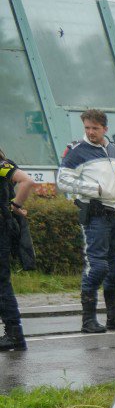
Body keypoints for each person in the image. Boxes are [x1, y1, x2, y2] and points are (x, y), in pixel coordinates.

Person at [57, 109, 115, 333]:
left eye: (95, 128)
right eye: (87, 128)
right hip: (96, 216)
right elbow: (63, 180)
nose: (90, 132)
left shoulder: (114, 148)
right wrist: (95, 189)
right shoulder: (77, 151)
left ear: (105, 128)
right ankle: (88, 320)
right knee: (97, 267)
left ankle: (114, 317)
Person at [0, 148, 36, 353]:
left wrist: (15, 205)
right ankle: (13, 333)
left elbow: (27, 181)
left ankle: (14, 335)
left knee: (1, 283)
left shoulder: (2, 166)